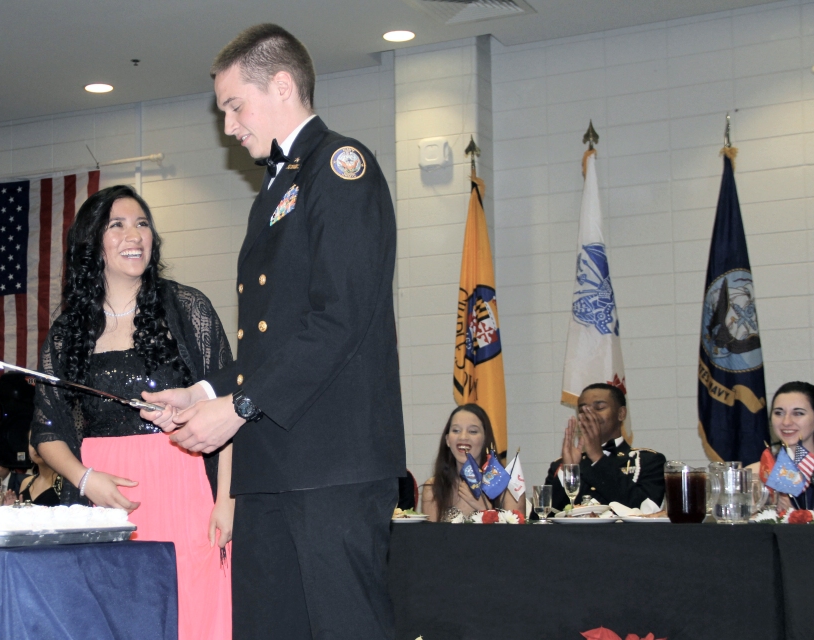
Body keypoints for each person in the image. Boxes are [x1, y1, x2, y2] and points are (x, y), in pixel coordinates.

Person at [141, 23, 405, 640]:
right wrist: (207, 396)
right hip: (272, 465)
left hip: (330, 465)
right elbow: (270, 338)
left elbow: (340, 318)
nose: (229, 126)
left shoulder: (341, 169)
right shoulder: (275, 190)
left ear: (282, 86)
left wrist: (240, 406)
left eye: (236, 105)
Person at [30, 184, 235, 640]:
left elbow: (230, 406)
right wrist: (85, 479)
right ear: (92, 244)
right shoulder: (68, 331)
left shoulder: (188, 307)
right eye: (117, 225)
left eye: (142, 223)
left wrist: (227, 500)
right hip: (104, 499)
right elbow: (47, 430)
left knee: (192, 617)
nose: (135, 234)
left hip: (186, 488)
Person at [543, 383, 665, 511]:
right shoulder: (561, 465)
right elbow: (539, 520)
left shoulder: (647, 461)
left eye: (599, 407)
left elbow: (648, 511)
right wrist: (569, 471)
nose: (590, 415)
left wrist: (598, 458)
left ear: (621, 414)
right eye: (582, 410)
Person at [422, 404, 524, 522]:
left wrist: (485, 509)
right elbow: (430, 538)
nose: (463, 437)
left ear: (485, 439)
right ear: (447, 440)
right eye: (456, 430)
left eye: (473, 431)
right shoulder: (433, 487)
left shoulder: (509, 487)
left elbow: (515, 538)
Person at [760, 381, 814, 511]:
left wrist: (794, 518)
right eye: (779, 413)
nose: (786, 422)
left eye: (798, 413)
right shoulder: (760, 471)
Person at [15, 431, 61, 506]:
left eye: (42, 441)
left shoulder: (66, 482)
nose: (36, 447)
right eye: (32, 442)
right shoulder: (26, 482)